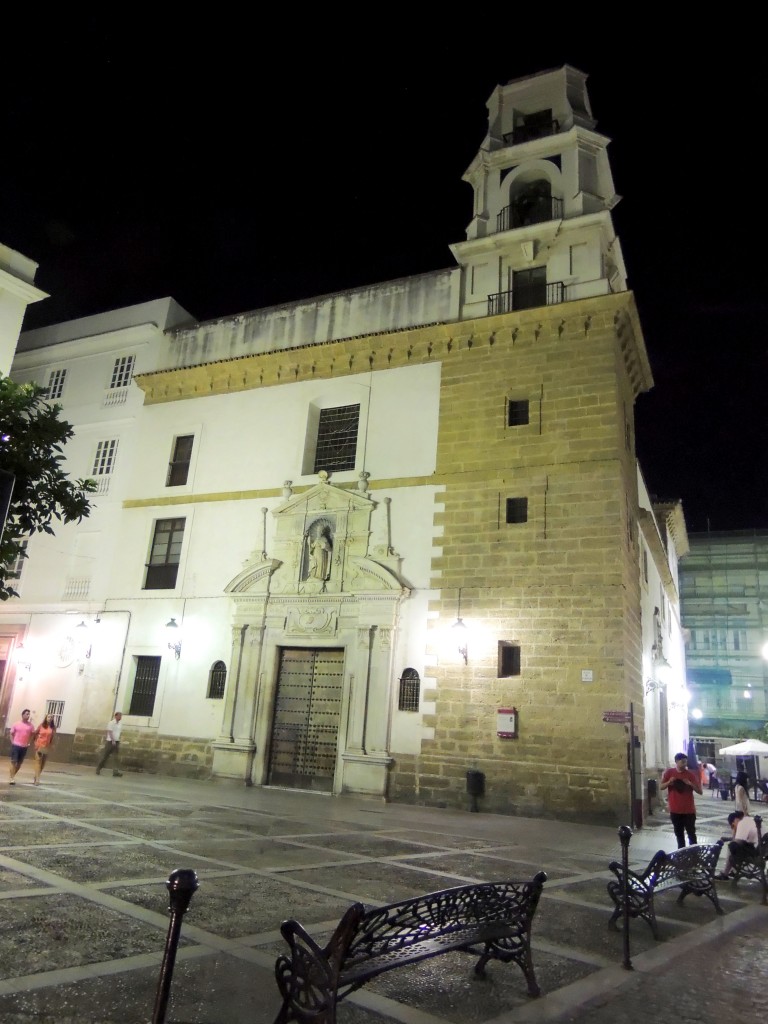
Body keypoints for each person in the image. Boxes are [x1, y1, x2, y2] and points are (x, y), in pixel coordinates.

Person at [660, 751, 703, 848]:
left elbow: (700, 791)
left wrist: (690, 784)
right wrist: (669, 782)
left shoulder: (690, 775)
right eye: (682, 762)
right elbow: (661, 787)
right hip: (675, 810)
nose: (684, 764)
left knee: (691, 834)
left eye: (685, 762)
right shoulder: (669, 773)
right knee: (679, 835)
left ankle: (694, 854)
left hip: (689, 811)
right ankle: (681, 855)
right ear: (676, 761)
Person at [717, 810, 758, 879]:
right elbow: (740, 839)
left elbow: (737, 841)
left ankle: (725, 874)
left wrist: (734, 831)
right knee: (735, 846)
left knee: (732, 846)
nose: (734, 826)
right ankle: (733, 871)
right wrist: (728, 838)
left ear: (735, 820)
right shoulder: (747, 820)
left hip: (756, 852)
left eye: (733, 824)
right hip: (760, 849)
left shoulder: (742, 824)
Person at [8, 709, 35, 784]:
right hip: (16, 745)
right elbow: (11, 733)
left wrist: (29, 742)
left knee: (19, 763)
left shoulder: (30, 726)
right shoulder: (16, 724)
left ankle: (12, 775)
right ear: (22, 715)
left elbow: (33, 734)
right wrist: (12, 742)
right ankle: (11, 778)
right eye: (26, 714)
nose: (28, 715)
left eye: (29, 714)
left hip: (24, 746)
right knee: (14, 762)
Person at [95, 712, 124, 777]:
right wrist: (113, 740)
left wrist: (119, 740)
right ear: (116, 716)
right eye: (119, 716)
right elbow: (110, 732)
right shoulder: (111, 723)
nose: (120, 717)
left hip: (116, 742)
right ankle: (98, 768)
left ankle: (115, 772)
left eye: (121, 716)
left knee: (115, 758)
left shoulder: (120, 724)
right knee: (105, 756)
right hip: (110, 742)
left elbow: (119, 732)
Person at [32, 715, 56, 786]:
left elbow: (52, 738)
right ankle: (37, 779)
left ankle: (36, 776)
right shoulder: (41, 725)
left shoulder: (53, 728)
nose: (50, 718)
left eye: (51, 717)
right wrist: (35, 743)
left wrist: (52, 745)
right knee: (38, 762)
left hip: (46, 747)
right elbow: (35, 734)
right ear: (46, 718)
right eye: (48, 717)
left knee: (42, 764)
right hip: (39, 746)